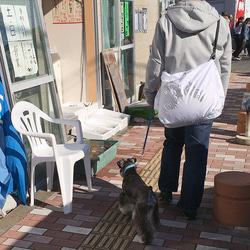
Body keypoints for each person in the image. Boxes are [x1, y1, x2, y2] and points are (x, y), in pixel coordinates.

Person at [144, 0, 231, 220]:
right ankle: (189, 206)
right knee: (197, 151)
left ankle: (165, 190)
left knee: (172, 143)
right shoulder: (220, 23)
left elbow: (156, 61)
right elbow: (225, 64)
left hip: (173, 97)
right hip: (203, 98)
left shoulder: (166, 21)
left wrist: (151, 94)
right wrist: (219, 97)